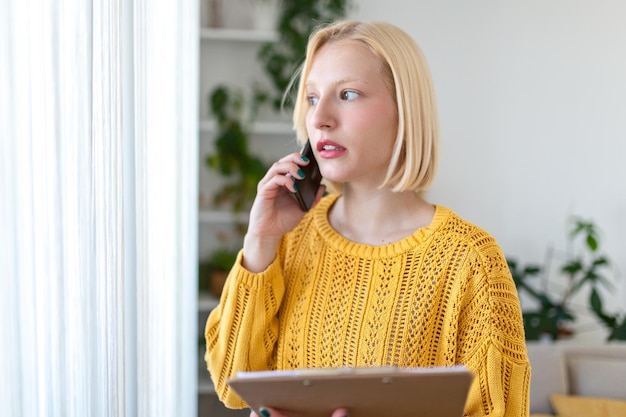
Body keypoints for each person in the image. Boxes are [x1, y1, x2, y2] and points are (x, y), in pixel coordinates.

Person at [205, 20, 530, 417]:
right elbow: (231, 386)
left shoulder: (469, 261)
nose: (320, 117)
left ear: (405, 111)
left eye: (348, 94)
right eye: (311, 98)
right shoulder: (285, 239)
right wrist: (259, 244)